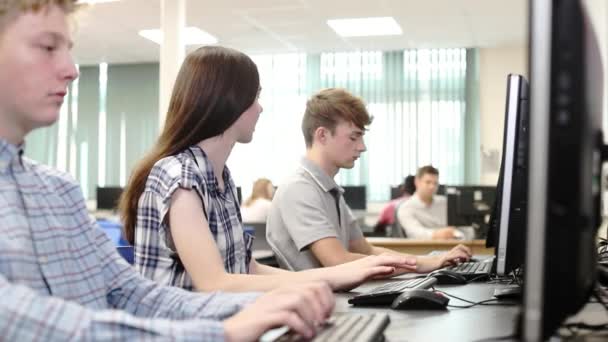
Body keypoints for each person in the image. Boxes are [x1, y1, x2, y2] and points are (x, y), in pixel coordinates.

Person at [0, 1, 338, 340]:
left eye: (68, 49)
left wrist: (260, 307)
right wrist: (224, 332)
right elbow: (25, 322)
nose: (72, 69)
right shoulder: (180, 175)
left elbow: (132, 294)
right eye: (47, 47)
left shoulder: (59, 191)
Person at [119, 46, 417, 294]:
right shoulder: (180, 176)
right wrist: (335, 276)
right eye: (256, 97)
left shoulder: (220, 178)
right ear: (229, 101)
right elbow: (215, 284)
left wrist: (342, 275)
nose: (260, 108)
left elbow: (246, 269)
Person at [265, 88, 471, 271]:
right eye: (354, 137)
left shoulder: (329, 189)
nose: (362, 147)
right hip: (319, 307)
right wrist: (420, 265)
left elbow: (365, 250)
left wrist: (428, 261)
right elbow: (338, 262)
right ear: (322, 136)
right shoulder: (299, 189)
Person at [397, 165, 460, 239]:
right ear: (417, 182)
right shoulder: (405, 208)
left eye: (435, 183)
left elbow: (462, 227)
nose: (432, 187)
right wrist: (438, 234)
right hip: (421, 248)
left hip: (451, 246)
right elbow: (415, 233)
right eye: (428, 182)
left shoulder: (445, 203)